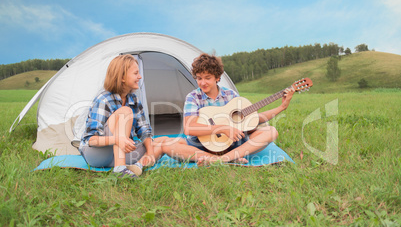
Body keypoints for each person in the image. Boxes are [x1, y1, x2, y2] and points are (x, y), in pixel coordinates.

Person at [162, 53, 295, 164]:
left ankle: (222, 159)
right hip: (203, 144)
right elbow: (189, 128)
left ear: (218, 77)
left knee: (271, 131)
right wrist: (222, 128)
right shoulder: (193, 97)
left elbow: (253, 119)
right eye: (199, 78)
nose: (202, 82)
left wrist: (282, 107)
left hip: (232, 143)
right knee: (168, 145)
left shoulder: (231, 95)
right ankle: (225, 159)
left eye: (207, 78)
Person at [79, 55, 167, 178]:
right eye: (136, 73)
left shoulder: (135, 100)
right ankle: (120, 169)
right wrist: (117, 139)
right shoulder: (103, 99)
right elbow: (91, 140)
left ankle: (137, 166)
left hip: (119, 154)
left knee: (162, 142)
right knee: (125, 111)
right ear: (122, 77)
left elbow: (144, 131)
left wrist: (150, 153)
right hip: (98, 154)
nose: (140, 77)